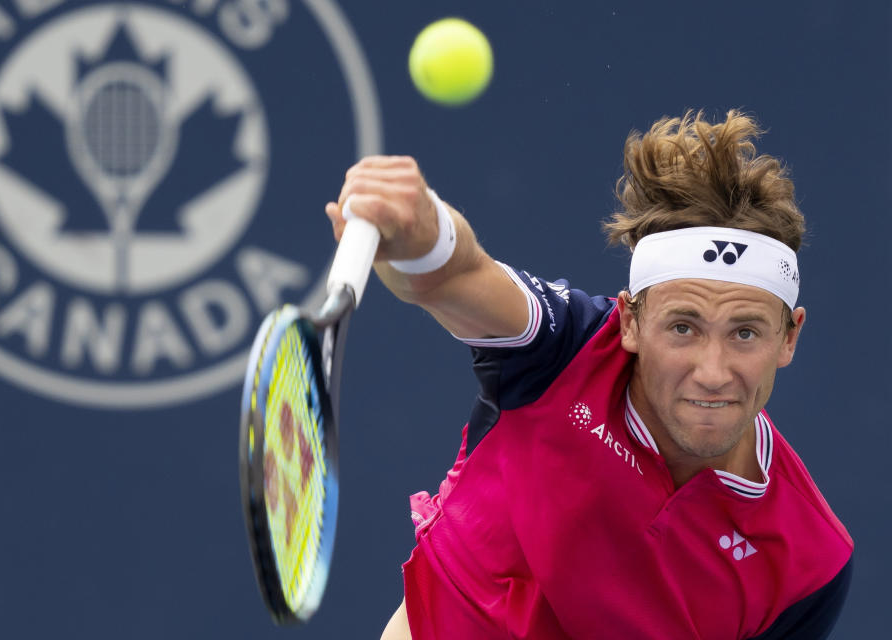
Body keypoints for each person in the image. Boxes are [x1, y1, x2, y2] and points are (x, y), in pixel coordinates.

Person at [325, 111, 853, 640]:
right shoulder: (565, 348)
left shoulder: (814, 564)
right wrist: (425, 234)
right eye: (683, 328)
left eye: (744, 334)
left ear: (789, 336)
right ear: (630, 321)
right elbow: (457, 273)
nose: (712, 373)